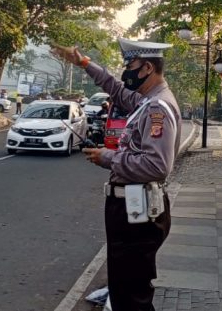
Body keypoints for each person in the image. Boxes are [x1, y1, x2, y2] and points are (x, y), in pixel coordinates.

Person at [52, 38, 180, 311]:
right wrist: (84, 62)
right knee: (125, 289)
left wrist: (107, 157)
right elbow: (116, 89)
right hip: (132, 207)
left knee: (131, 295)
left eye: (130, 65)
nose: (126, 72)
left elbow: (157, 166)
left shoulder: (158, 107)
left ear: (147, 67)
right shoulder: (147, 101)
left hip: (139, 209)